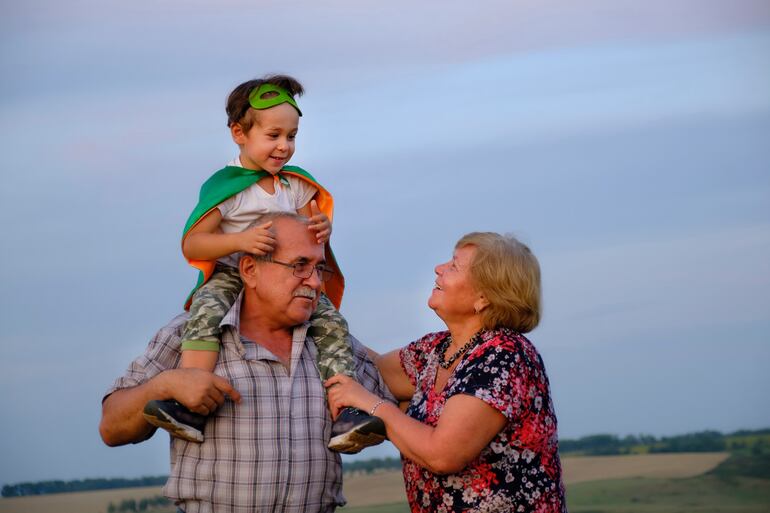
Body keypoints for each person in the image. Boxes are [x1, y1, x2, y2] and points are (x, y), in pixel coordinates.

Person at [142, 74, 383, 452]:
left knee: (332, 323)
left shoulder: (297, 185)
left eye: (291, 136)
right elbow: (194, 241)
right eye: (273, 136)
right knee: (206, 314)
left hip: (286, 281)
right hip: (232, 272)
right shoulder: (227, 186)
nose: (284, 146)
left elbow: (312, 233)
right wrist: (240, 240)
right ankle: (189, 402)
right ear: (239, 133)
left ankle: (346, 411)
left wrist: (321, 225)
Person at [100, 213, 394, 512]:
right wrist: (163, 386)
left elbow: (399, 402)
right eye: (299, 266)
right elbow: (111, 428)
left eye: (320, 268)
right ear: (250, 269)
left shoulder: (333, 345)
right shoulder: (190, 335)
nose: (316, 282)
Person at [326, 232, 567, 512]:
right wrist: (317, 316)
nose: (438, 268)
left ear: (484, 297)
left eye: (454, 266)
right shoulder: (435, 350)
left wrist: (372, 405)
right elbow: (371, 368)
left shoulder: (504, 355)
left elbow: (443, 455)